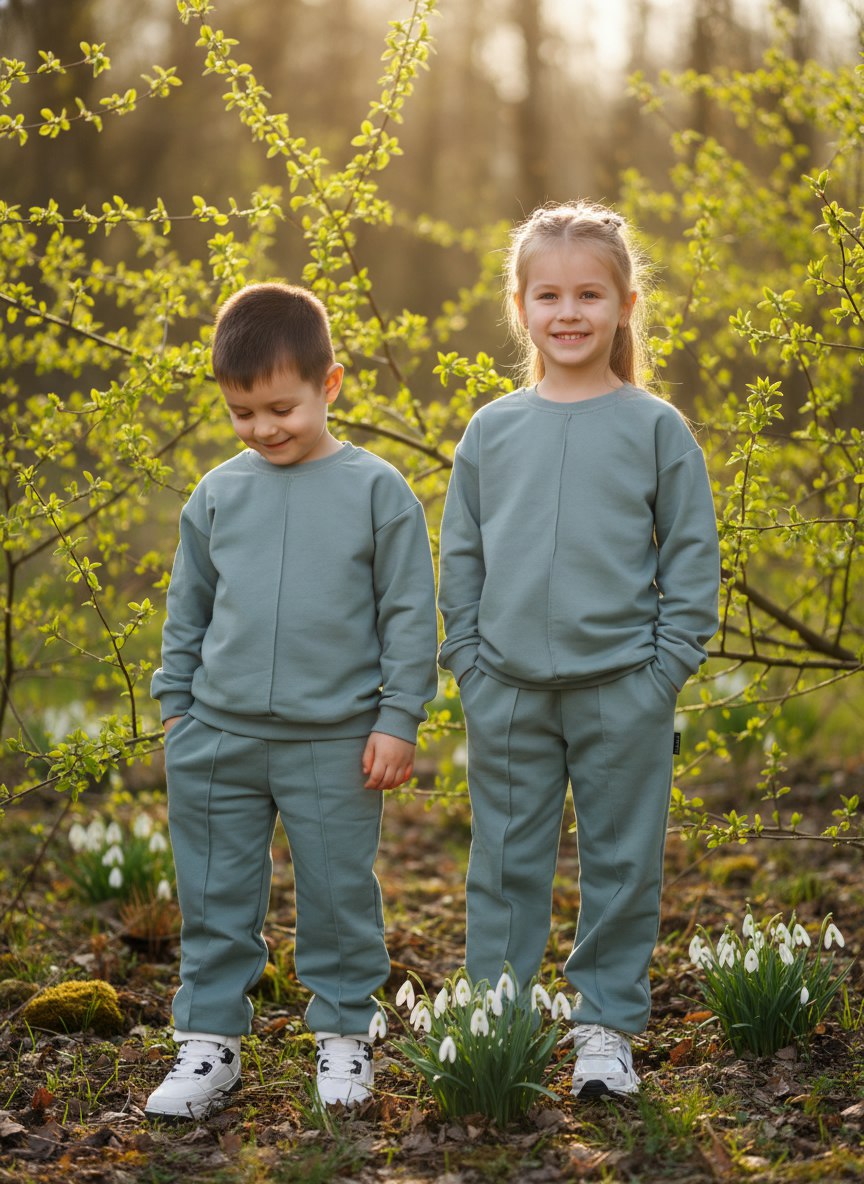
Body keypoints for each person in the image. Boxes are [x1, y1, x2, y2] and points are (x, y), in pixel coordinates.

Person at [438, 201, 720, 1098]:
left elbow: (691, 561)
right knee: (505, 867)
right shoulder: (492, 430)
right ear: (519, 306)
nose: (569, 312)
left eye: (589, 294)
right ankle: (504, 1020)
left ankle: (604, 1027)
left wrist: (661, 673)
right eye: (549, 294)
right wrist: (472, 669)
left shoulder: (655, 429)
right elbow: (462, 558)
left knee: (622, 866)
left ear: (625, 304)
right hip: (509, 693)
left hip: (623, 693)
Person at [145, 282, 438, 1119]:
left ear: (330, 385)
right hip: (217, 739)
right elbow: (187, 610)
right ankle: (208, 1045)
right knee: (213, 896)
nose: (263, 428)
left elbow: (411, 617)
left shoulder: (378, 493)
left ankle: (344, 1037)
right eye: (242, 413)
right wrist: (178, 711)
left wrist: (397, 718)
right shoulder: (217, 495)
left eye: (281, 407)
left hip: (335, 742)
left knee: (340, 895)